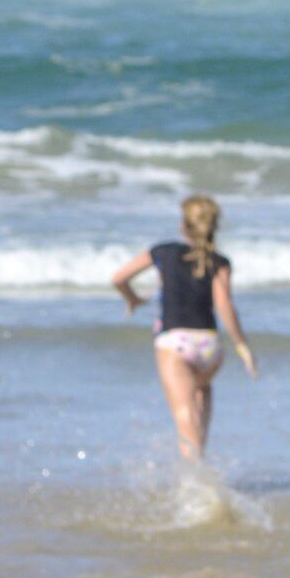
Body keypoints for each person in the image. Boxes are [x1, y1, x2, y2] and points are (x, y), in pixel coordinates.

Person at [111, 194, 257, 458]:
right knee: (200, 405)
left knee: (184, 418)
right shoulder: (220, 262)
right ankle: (201, 467)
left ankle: (196, 477)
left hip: (175, 344)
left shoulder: (163, 252)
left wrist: (132, 298)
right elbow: (224, 305)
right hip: (210, 347)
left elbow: (119, 278)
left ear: (183, 226)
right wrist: (241, 345)